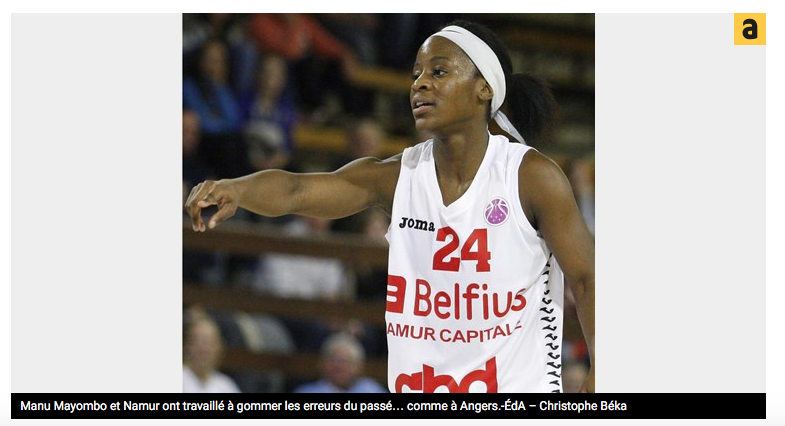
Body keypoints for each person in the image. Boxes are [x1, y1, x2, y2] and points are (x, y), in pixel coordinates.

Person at [186, 20, 594, 393]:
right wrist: (234, 189)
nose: (420, 84)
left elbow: (588, 279)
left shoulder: (529, 176)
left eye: (438, 71)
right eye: (416, 73)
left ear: (484, 87)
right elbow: (296, 191)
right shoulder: (399, 176)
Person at [294, 332, 386, 393]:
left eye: (346, 361)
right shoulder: (306, 392)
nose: (339, 366)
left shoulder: (372, 390)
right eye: (333, 360)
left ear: (359, 366)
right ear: (322, 363)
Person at [182, 311, 242, 393]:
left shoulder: (226, 385)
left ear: (219, 348)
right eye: (197, 341)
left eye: (208, 342)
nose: (203, 349)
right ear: (186, 345)